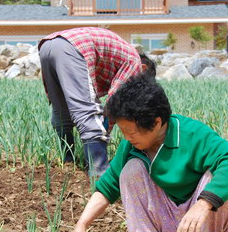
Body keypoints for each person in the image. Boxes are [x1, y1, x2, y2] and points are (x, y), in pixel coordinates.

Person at [65, 74, 228, 232]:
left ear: (157, 122)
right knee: (131, 169)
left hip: (208, 227)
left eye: (132, 132)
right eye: (123, 131)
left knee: (221, 173)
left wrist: (203, 204)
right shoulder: (131, 146)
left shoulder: (192, 134)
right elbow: (108, 187)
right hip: (168, 229)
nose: (126, 137)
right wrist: (81, 225)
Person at [38, 27, 156, 176]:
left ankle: (67, 161)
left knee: (61, 112)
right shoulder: (135, 62)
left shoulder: (122, 56)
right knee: (87, 112)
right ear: (143, 69)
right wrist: (104, 130)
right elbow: (115, 101)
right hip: (75, 47)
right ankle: (99, 173)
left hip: (48, 45)